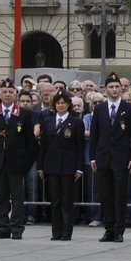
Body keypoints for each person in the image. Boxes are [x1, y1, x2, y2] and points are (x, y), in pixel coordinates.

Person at [87, 75, 131, 243]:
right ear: (106, 89)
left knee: (120, 196)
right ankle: (108, 229)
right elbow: (94, 135)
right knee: (106, 195)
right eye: (111, 87)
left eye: (117, 86)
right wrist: (93, 158)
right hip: (103, 158)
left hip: (121, 158)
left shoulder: (129, 108)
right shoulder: (100, 109)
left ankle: (119, 231)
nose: (115, 89)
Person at [0, 84, 37, 240]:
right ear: (0, 95)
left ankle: (17, 227)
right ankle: (3, 227)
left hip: (17, 162)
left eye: (11, 92)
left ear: (15, 94)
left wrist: (25, 163)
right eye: (5, 92)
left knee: (17, 198)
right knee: (0, 197)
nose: (7, 94)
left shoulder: (24, 113)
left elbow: (31, 141)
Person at [37, 91, 83, 242]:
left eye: (63, 103)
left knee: (66, 201)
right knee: (54, 200)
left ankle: (66, 232)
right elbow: (43, 146)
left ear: (68, 105)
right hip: (51, 166)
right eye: (58, 103)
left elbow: (80, 147)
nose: (60, 105)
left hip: (68, 167)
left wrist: (79, 168)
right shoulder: (48, 122)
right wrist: (41, 166)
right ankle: (55, 232)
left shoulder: (75, 121)